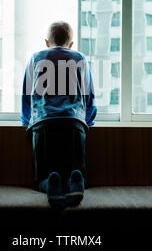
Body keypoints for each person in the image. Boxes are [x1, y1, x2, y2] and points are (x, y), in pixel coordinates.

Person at [21, 21, 97, 208]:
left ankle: (50, 184)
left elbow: (26, 94)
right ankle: (75, 180)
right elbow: (89, 95)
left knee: (43, 176)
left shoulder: (36, 57)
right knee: (74, 167)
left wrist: (26, 121)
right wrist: (87, 121)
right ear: (71, 44)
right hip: (73, 123)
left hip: (44, 123)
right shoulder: (80, 58)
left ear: (47, 42)